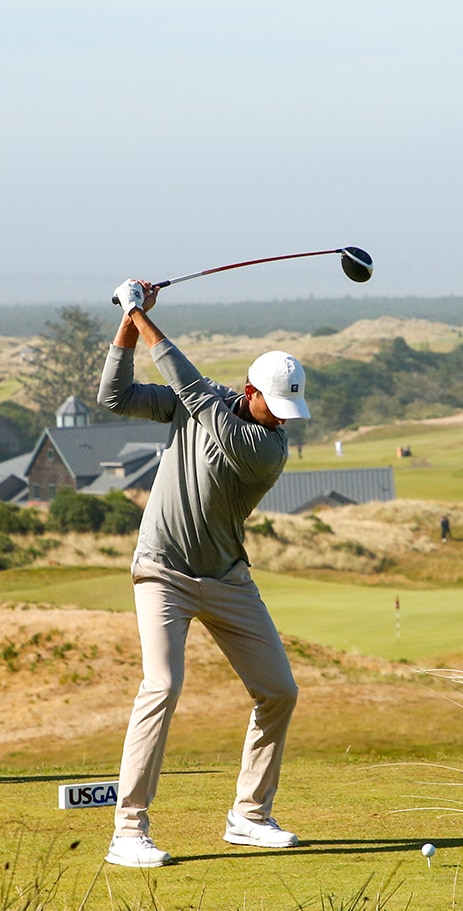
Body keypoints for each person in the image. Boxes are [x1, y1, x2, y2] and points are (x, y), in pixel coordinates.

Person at [97, 278, 305, 868]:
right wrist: (126, 325)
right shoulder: (207, 404)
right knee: (160, 686)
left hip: (226, 579)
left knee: (279, 691)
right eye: (276, 407)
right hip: (162, 571)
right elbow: (116, 396)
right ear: (251, 392)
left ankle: (250, 816)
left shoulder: (264, 448)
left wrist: (138, 310)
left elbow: (186, 382)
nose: (283, 421)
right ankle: (128, 831)